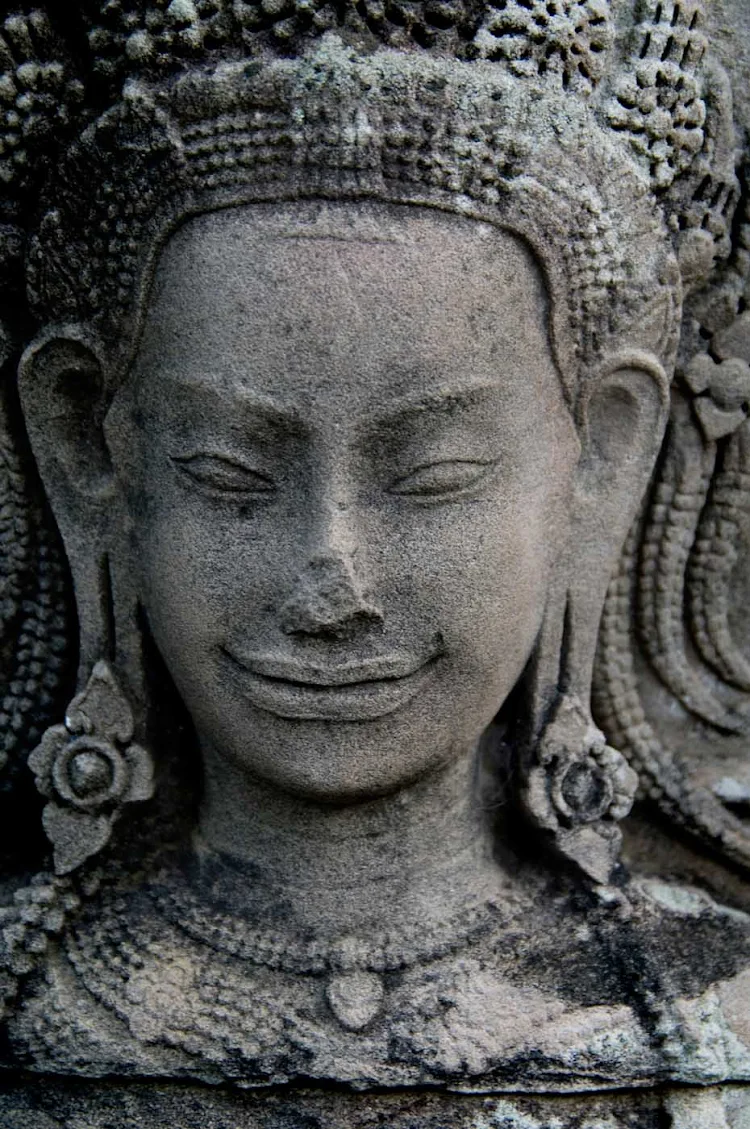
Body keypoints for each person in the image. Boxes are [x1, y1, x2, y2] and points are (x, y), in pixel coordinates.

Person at [1, 7, 750, 1096]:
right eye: (230, 474)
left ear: (602, 455)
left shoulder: (708, 1017)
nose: (332, 582)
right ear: (89, 452)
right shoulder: (29, 998)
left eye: (433, 476)